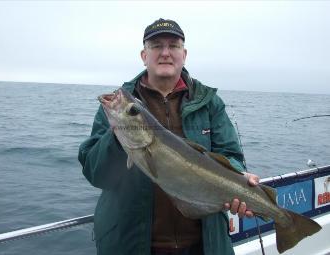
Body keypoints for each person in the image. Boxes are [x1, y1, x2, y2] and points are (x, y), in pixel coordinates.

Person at [78, 18, 259, 255]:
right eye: (156, 46)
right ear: (144, 55)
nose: (165, 53)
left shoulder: (209, 103)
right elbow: (96, 174)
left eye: (173, 46)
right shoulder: (121, 107)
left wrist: (237, 179)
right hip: (130, 245)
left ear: (184, 54)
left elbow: (231, 156)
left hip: (205, 245)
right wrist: (117, 138)